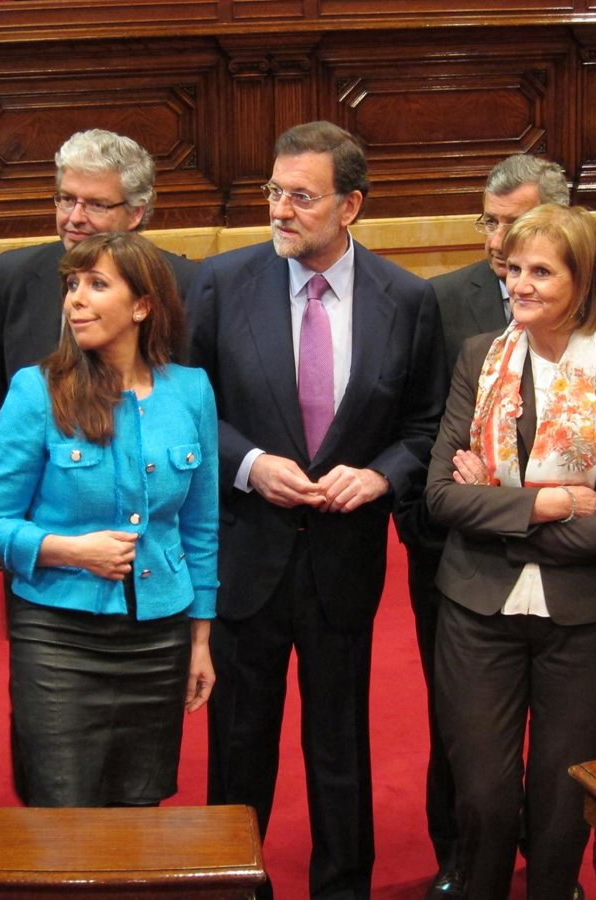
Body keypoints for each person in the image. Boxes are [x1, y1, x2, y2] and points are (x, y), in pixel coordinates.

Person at [188, 120, 446, 899]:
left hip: (344, 560)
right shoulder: (219, 283)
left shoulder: (408, 299)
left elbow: (426, 424)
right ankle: (232, 886)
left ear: (351, 205)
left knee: (340, 745)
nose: (280, 210)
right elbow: (187, 409)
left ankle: (344, 886)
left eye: (302, 196)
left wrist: (380, 477)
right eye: (275, 192)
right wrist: (249, 465)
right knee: (239, 748)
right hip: (247, 554)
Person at [396, 153, 596, 898]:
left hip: (588, 620)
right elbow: (442, 497)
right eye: (514, 270)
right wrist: (546, 503)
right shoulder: (478, 359)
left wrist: (496, 509)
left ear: (582, 284)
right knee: (482, 797)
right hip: (478, 612)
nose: (519, 284)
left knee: (563, 809)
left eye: (541, 272)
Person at [0, 231, 217, 808]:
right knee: (63, 808)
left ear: (142, 306)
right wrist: (71, 550)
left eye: (96, 284)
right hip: (58, 636)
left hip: (159, 635)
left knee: (139, 805)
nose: (75, 299)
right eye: (72, 284)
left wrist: (200, 639)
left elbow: (201, 526)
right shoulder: (37, 391)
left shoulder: (191, 391)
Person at [0, 128, 198, 411]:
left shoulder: (184, 283)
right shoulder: (10, 275)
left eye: (96, 204)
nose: (75, 217)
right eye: (67, 199)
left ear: (135, 213)